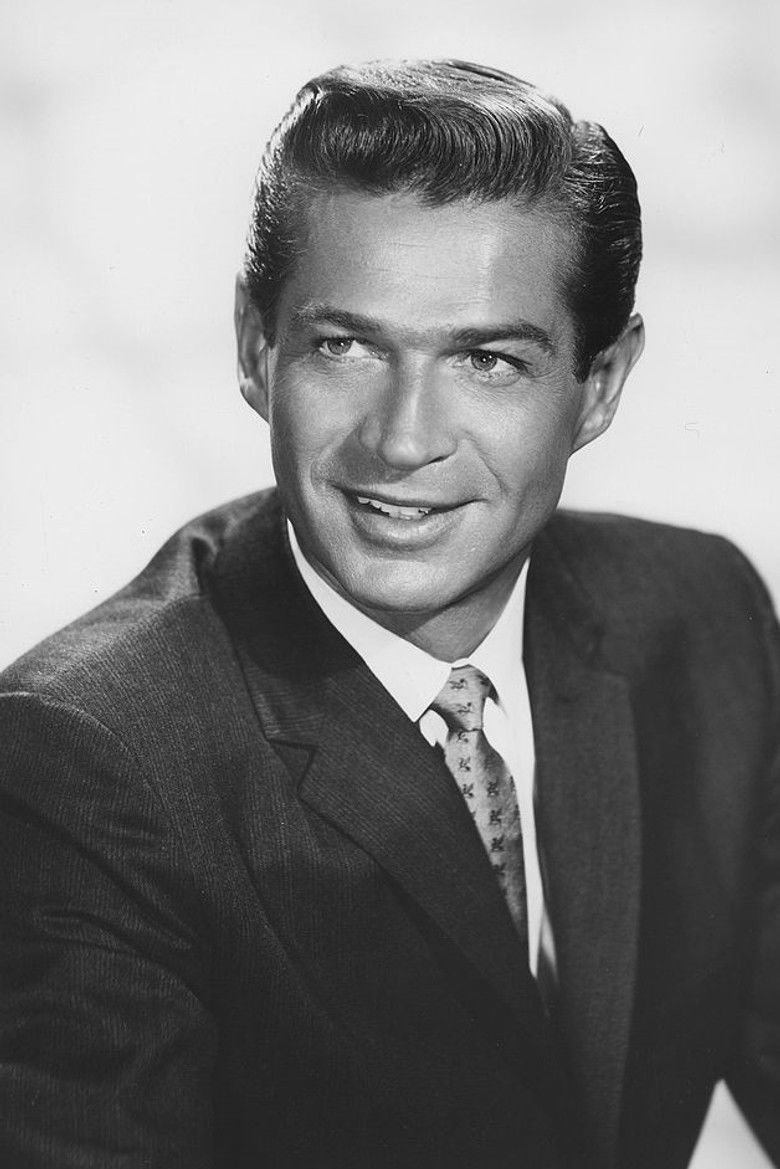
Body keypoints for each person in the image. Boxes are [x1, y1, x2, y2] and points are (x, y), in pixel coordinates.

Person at [0, 58, 778, 1169]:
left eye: (488, 360)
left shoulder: (699, 619)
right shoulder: (91, 754)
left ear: (601, 384)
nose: (404, 439)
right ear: (255, 347)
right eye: (345, 346)